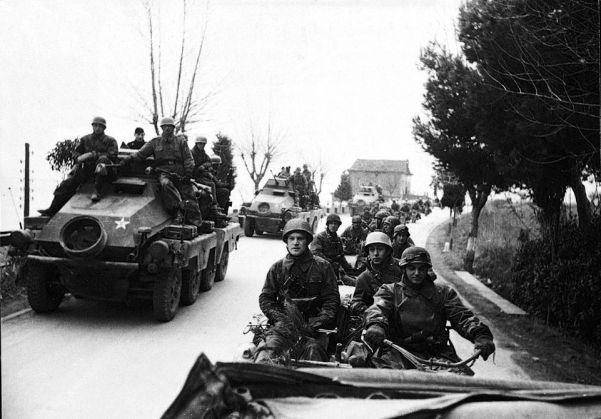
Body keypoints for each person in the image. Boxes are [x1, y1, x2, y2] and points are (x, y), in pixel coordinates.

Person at [362, 247, 495, 369]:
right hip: (399, 352)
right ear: (403, 269)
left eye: (421, 268)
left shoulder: (443, 292)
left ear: (427, 270)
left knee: (458, 383)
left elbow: (462, 316)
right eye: (412, 268)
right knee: (386, 381)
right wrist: (376, 325)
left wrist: (480, 334)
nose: (417, 273)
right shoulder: (390, 291)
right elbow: (378, 308)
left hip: (438, 353)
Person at [257, 219, 340, 362]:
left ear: (307, 241)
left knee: (313, 359)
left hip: (315, 329)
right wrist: (281, 320)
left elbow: (331, 300)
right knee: (266, 356)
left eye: (300, 238)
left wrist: (316, 323)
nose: (295, 242)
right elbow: (266, 299)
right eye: (291, 238)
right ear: (286, 241)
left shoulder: (323, 267)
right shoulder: (277, 268)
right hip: (283, 328)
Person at [120, 117, 201, 226]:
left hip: (180, 170)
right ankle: (178, 212)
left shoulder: (181, 141)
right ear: (162, 128)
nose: (167, 129)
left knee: (189, 192)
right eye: (165, 126)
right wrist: (128, 159)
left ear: (173, 128)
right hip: (164, 171)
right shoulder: (155, 142)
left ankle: (196, 222)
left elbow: (188, 159)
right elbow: (141, 154)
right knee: (165, 184)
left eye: (170, 126)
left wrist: (188, 174)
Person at [39, 117, 118, 215]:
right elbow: (76, 153)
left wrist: (92, 154)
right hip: (88, 170)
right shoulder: (85, 139)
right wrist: (78, 158)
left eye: (100, 126)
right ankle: (52, 209)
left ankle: (97, 191)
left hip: (105, 172)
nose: (97, 128)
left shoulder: (110, 140)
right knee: (65, 185)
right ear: (92, 126)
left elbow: (113, 155)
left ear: (104, 128)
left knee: (102, 160)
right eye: (95, 125)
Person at [350, 232, 402, 316]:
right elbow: (356, 303)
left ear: (388, 251)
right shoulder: (364, 278)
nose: (375, 253)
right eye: (372, 250)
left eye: (380, 249)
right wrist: (371, 312)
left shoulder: (401, 268)